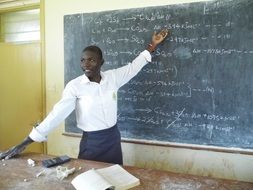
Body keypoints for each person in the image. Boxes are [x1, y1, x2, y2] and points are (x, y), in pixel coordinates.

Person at [0, 29, 169, 164]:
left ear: (101, 62)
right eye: (83, 60)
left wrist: (152, 45)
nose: (86, 65)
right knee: (89, 180)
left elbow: (134, 66)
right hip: (92, 143)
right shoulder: (75, 86)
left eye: (91, 60)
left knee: (115, 179)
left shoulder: (113, 78)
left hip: (112, 139)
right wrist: (26, 142)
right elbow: (56, 115)